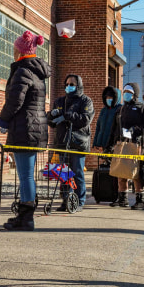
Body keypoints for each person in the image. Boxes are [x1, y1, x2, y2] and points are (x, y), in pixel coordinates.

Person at [0, 30, 50, 231]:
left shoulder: (22, 71)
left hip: (25, 128)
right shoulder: (37, 72)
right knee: (27, 175)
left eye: (14, 49)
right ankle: (25, 214)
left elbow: (15, 100)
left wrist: (3, 120)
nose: (13, 53)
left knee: (25, 175)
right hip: (34, 128)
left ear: (20, 51)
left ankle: (26, 218)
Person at [47, 74, 94, 211]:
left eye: (72, 84)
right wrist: (52, 115)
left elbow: (85, 120)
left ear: (78, 85)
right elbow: (52, 123)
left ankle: (79, 201)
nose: (69, 86)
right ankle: (66, 200)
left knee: (77, 173)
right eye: (67, 84)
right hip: (62, 142)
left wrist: (67, 115)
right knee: (64, 174)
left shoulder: (86, 101)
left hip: (78, 143)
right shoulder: (60, 101)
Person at [109, 83, 144, 209]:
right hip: (121, 143)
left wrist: (136, 129)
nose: (126, 94)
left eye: (129, 92)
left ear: (135, 94)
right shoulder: (121, 109)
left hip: (136, 144)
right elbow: (114, 127)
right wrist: (111, 143)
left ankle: (140, 200)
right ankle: (122, 199)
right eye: (124, 92)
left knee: (135, 173)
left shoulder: (142, 108)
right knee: (120, 172)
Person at [93, 86, 122, 153]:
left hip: (114, 144)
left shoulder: (120, 109)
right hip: (103, 144)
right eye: (107, 97)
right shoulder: (103, 110)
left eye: (110, 97)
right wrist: (96, 142)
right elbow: (98, 127)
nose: (108, 99)